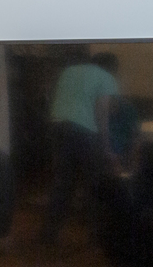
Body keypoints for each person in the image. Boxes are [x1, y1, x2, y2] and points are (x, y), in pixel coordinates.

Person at [42, 52, 121, 245]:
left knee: (62, 182)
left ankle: (49, 234)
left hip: (58, 126)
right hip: (85, 131)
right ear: (112, 68)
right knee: (93, 183)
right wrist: (107, 146)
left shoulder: (68, 71)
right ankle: (95, 236)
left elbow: (51, 95)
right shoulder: (107, 77)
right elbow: (102, 112)